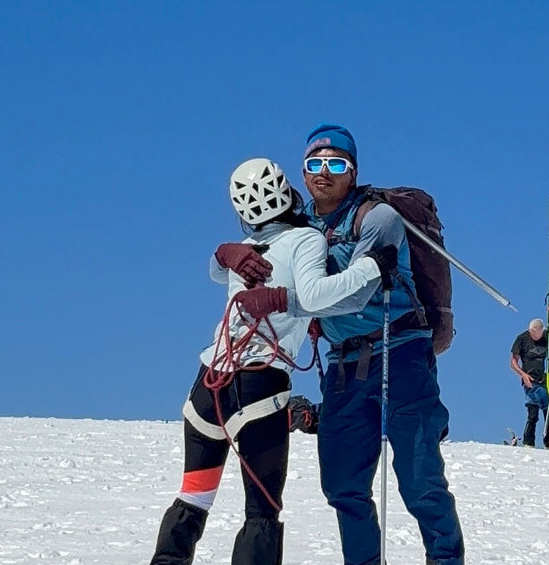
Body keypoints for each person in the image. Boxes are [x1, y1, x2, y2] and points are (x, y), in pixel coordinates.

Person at [150, 158, 396, 565]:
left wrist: (223, 252)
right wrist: (371, 266)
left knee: (194, 496)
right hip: (259, 388)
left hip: (208, 385)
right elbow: (314, 296)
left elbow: (216, 272)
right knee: (261, 511)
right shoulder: (306, 239)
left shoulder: (244, 250)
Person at [300, 123, 464, 565]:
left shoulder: (379, 218)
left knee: (419, 478)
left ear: (353, 173)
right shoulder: (299, 227)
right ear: (303, 171)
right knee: (343, 484)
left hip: (401, 352)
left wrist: (287, 300)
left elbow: (353, 294)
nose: (324, 172)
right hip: (344, 364)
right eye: (315, 163)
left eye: (336, 164)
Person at [510, 318, 549, 447]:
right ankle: (528, 442)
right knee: (533, 414)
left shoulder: (548, 337)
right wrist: (523, 375)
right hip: (530, 381)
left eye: (536, 334)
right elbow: (513, 362)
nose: (534, 336)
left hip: (546, 381)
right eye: (532, 333)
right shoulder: (522, 338)